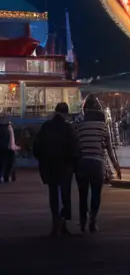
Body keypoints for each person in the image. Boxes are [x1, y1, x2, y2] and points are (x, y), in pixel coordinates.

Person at [73, 95, 120, 233]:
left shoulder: (79, 125)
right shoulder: (103, 126)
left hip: (82, 163)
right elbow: (109, 148)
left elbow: (75, 146)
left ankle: (82, 222)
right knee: (95, 194)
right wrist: (116, 166)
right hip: (97, 163)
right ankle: (93, 220)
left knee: (82, 195)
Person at [33, 102, 78, 237]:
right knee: (65, 194)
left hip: (50, 166)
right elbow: (74, 148)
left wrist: (42, 160)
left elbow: (37, 146)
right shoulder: (68, 128)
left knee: (53, 195)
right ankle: (63, 223)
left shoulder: (46, 126)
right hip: (65, 166)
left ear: (55, 111)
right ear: (65, 113)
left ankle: (54, 224)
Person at [0, 112, 16, 183]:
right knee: (9, 163)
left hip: (3, 148)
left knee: (2, 163)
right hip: (7, 148)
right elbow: (12, 139)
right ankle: (7, 176)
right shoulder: (9, 128)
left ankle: (3, 176)